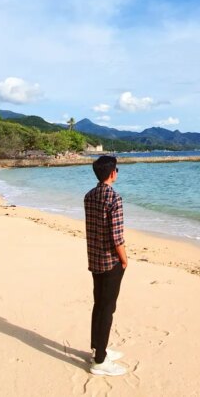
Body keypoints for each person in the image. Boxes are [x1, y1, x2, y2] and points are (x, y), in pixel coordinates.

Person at [84, 155, 128, 376]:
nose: (117, 173)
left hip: (94, 258)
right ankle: (100, 361)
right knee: (107, 308)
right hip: (110, 261)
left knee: (98, 304)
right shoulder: (114, 198)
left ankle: (97, 349)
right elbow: (117, 237)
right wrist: (124, 259)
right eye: (116, 169)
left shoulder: (89, 196)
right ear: (112, 173)